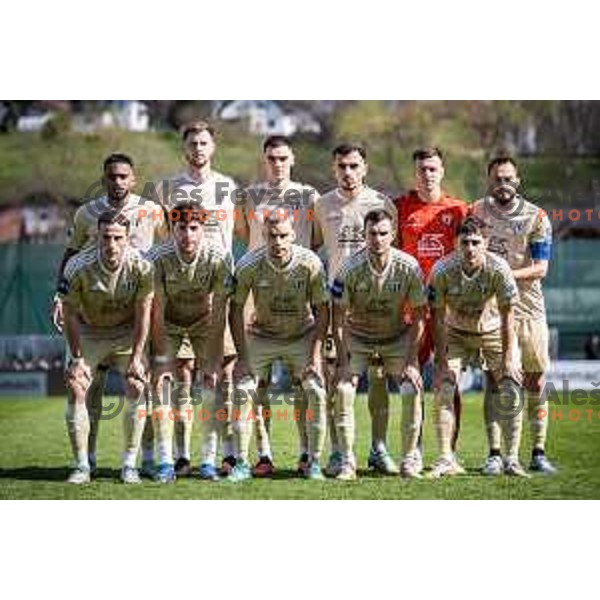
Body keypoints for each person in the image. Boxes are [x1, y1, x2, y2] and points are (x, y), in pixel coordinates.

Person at [53, 153, 166, 476]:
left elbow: (167, 249)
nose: (117, 182)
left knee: (140, 382)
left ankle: (139, 460)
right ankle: (84, 462)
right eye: (111, 177)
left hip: (133, 315)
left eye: (123, 176)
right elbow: (71, 252)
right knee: (86, 388)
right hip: (91, 315)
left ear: (133, 178)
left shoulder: (151, 211)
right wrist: (59, 296)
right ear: (104, 180)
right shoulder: (86, 215)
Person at [154, 120, 242, 479]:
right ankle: (180, 456)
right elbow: (162, 237)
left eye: (204, 142)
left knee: (223, 376)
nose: (198, 148)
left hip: (220, 290)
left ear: (213, 147)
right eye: (192, 142)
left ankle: (227, 454)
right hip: (179, 293)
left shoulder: (228, 187)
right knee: (181, 376)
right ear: (184, 147)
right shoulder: (167, 188)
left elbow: (237, 233)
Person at [313, 143, 398, 477]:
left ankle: (378, 448)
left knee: (377, 379)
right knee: (336, 379)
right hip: (337, 308)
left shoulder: (382, 204)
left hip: (375, 308)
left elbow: (394, 253)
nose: (347, 172)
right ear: (334, 169)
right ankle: (338, 453)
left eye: (353, 166)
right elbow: (312, 247)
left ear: (365, 167)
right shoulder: (322, 205)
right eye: (341, 166)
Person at [239, 135, 319, 477]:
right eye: (272, 158)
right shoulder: (250, 196)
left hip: (298, 291)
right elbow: (245, 235)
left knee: (306, 381)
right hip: (259, 287)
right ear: (264, 159)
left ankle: (306, 453)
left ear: (293, 158)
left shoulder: (309, 196)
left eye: (283, 157)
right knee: (257, 384)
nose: (278, 163)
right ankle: (264, 454)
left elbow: (314, 238)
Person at [471, 156, 556, 474]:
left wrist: (503, 273)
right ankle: (494, 453)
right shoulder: (476, 212)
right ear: (489, 180)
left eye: (508, 178)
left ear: (518, 180)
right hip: (492, 311)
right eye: (497, 179)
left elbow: (541, 269)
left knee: (536, 381)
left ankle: (538, 451)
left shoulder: (537, 216)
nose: (502, 184)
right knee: (495, 382)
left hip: (528, 310)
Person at [228, 215, 329, 481]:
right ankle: (243, 462)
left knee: (315, 391)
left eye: (283, 235)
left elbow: (322, 309)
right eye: (272, 236)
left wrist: (316, 354)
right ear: (264, 236)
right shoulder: (249, 264)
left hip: (301, 334)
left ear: (293, 235)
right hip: (262, 335)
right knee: (243, 390)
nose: (278, 241)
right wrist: (242, 356)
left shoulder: (310, 263)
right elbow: (235, 309)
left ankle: (313, 460)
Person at [428, 215, 527, 477]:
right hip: (455, 333)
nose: (470, 248)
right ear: (455, 244)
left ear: (485, 244)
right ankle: (445, 458)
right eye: (464, 243)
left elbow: (509, 317)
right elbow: (436, 318)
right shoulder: (441, 270)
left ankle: (511, 459)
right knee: (444, 388)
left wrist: (508, 358)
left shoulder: (499, 268)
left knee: (510, 386)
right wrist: (439, 363)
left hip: (493, 330)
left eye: (475, 242)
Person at [331, 209, 426, 480]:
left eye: (383, 233)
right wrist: (343, 362)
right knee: (344, 390)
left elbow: (420, 315)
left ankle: (410, 459)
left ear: (393, 235)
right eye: (372, 233)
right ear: (364, 235)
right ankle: (348, 462)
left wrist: (412, 361)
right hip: (358, 338)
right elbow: (337, 319)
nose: (377, 239)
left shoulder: (409, 266)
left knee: (410, 389)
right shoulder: (348, 269)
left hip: (396, 338)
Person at [61, 210, 154, 484]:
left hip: (126, 333)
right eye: (106, 237)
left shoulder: (142, 266)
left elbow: (144, 313)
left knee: (137, 385)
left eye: (117, 238)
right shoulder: (77, 267)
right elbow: (69, 314)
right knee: (77, 387)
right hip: (89, 332)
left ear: (128, 238)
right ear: (97, 237)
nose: (111, 244)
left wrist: (137, 357)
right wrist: (77, 357)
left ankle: (130, 465)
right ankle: (82, 465)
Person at [148, 200, 233, 482]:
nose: (188, 235)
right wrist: (160, 358)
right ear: (172, 229)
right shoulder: (156, 257)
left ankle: (208, 461)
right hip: (169, 323)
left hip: (204, 322)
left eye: (194, 228)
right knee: (163, 386)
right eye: (181, 228)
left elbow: (220, 310)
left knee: (211, 384)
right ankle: (165, 461)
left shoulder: (219, 256)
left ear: (203, 229)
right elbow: (157, 309)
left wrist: (214, 357)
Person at [395, 147, 468, 463]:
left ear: (442, 171)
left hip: (449, 312)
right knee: (411, 380)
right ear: (415, 173)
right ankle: (414, 450)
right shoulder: (399, 207)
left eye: (433, 169)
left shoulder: (458, 210)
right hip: (412, 311)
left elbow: (471, 256)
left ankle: (448, 453)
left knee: (448, 380)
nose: (427, 174)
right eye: (422, 169)